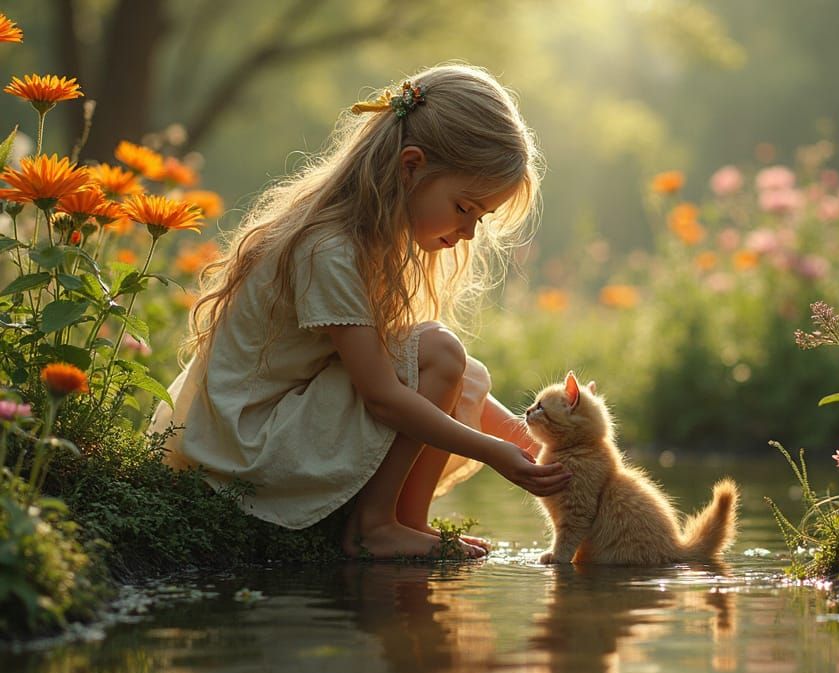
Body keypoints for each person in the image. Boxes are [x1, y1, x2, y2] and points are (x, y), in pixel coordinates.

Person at [150, 64, 572, 559]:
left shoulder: (366, 240)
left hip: (278, 422)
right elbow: (382, 398)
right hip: (244, 445)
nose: (470, 232)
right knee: (439, 354)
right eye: (465, 208)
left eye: (481, 218)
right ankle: (375, 527)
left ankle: (405, 524)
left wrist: (546, 449)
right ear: (410, 167)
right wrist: (493, 453)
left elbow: (443, 385)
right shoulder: (329, 249)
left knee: (464, 373)